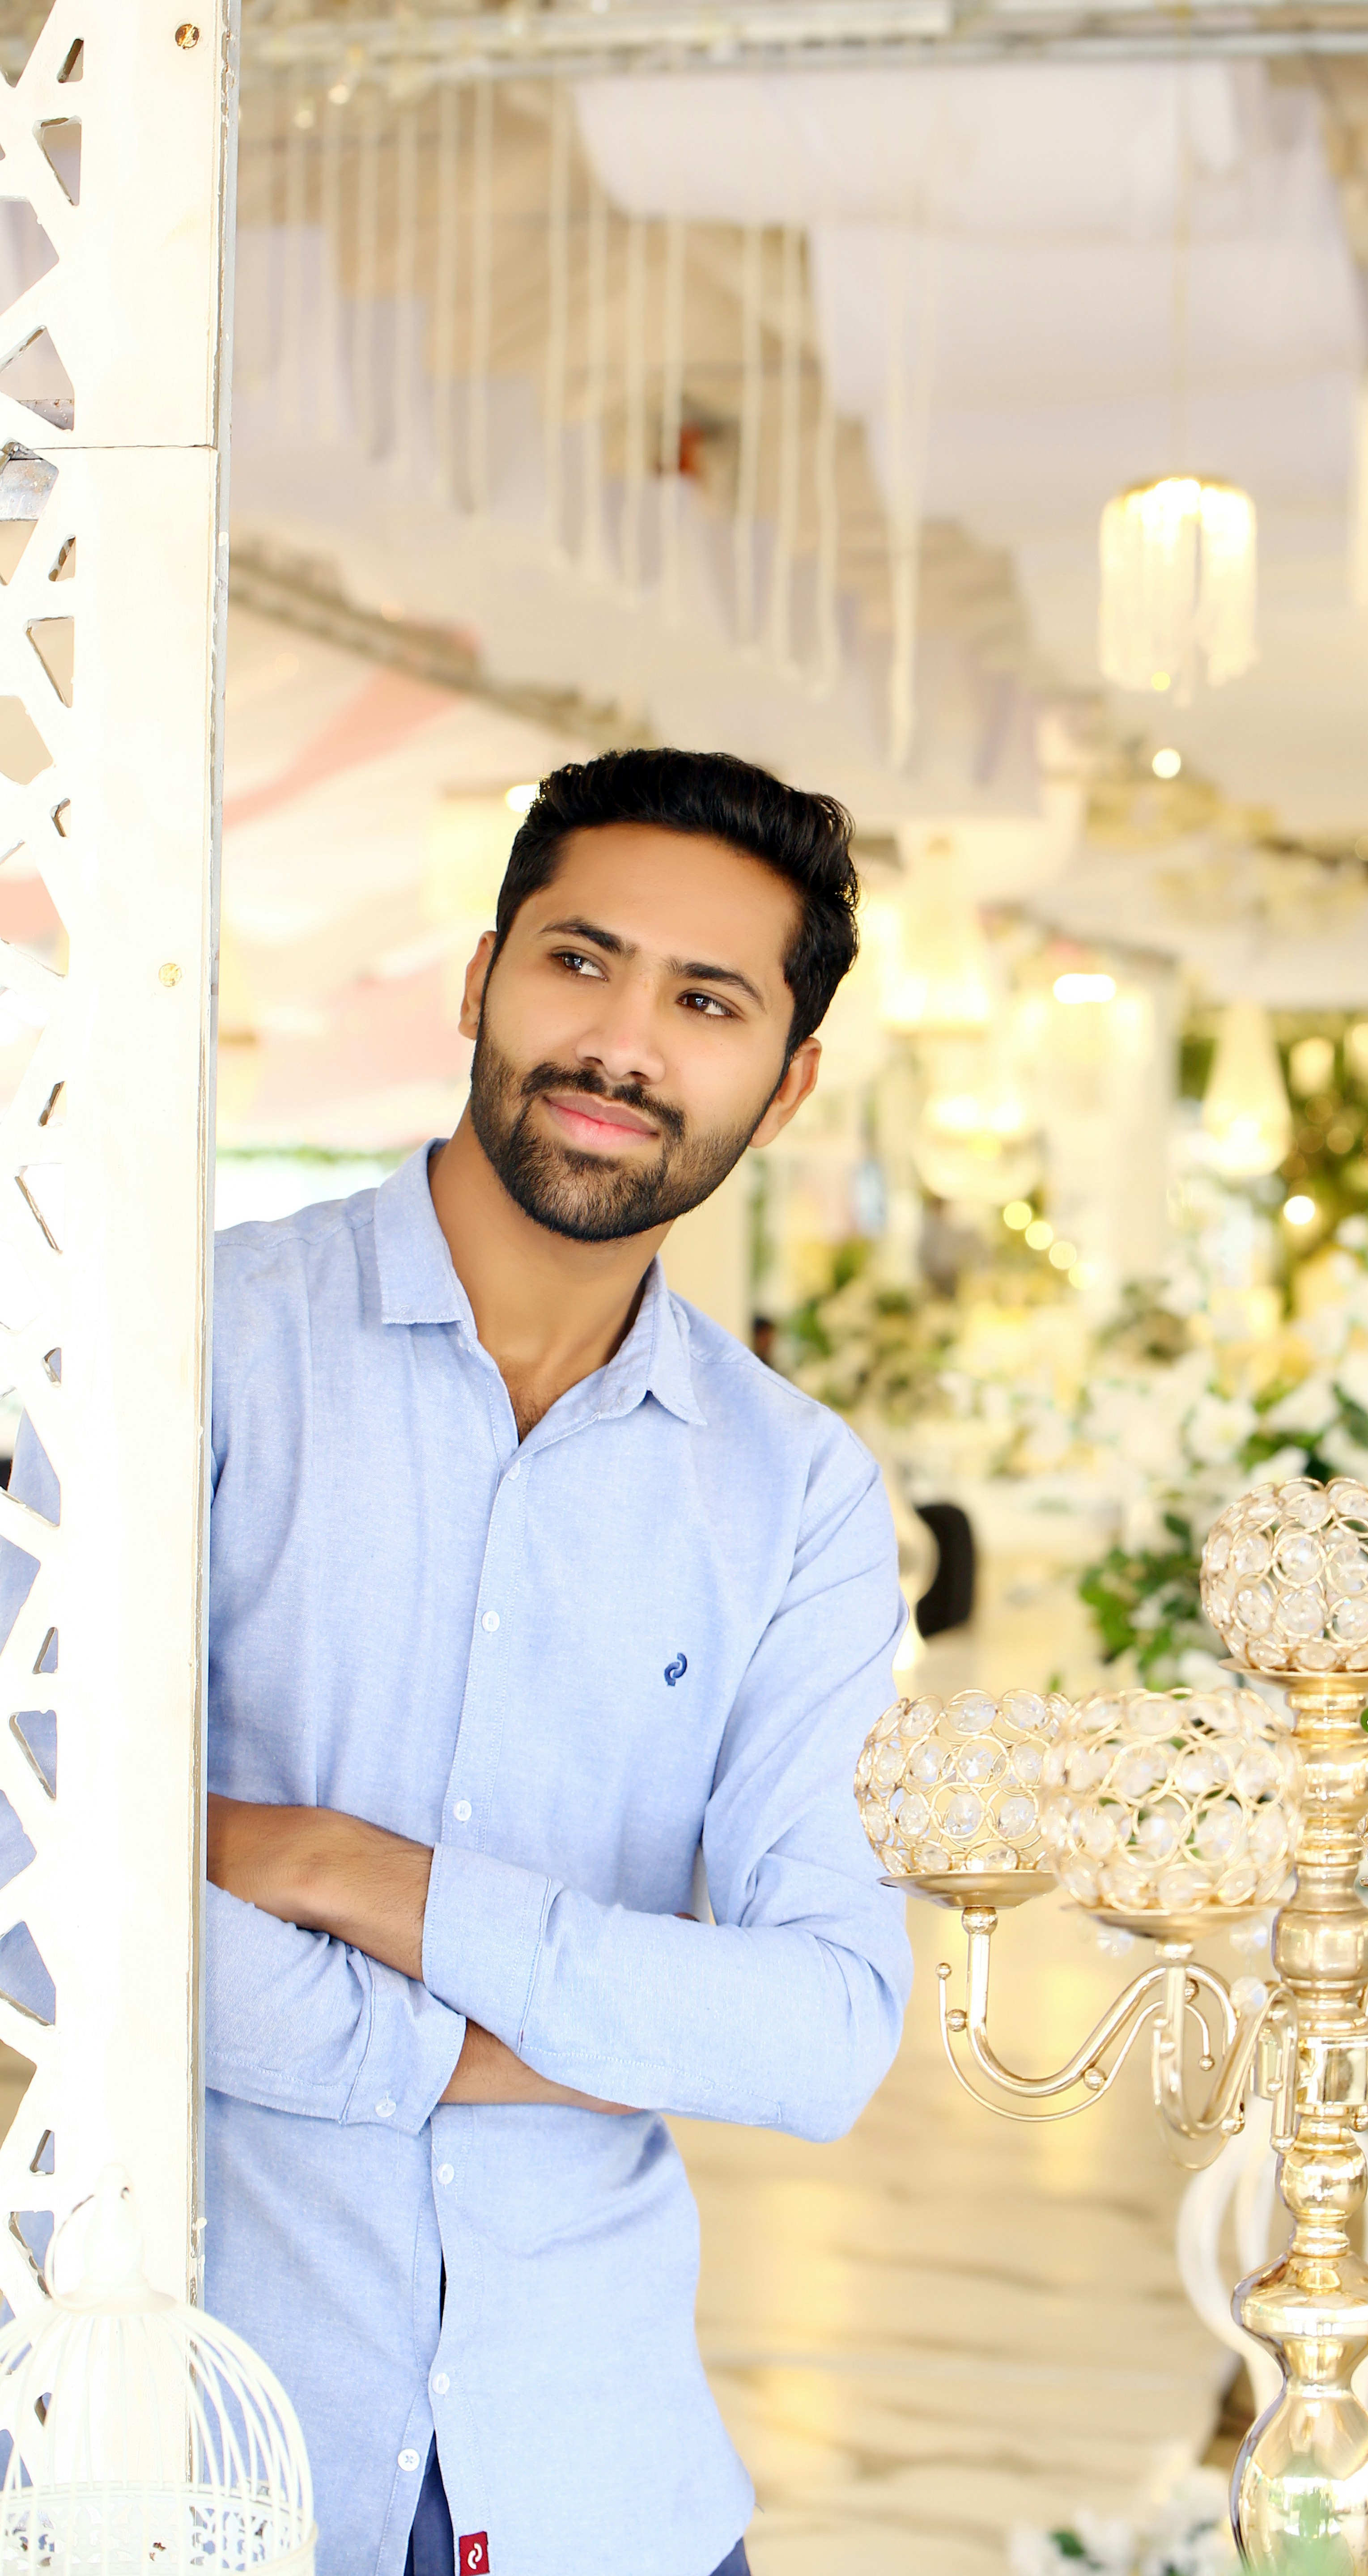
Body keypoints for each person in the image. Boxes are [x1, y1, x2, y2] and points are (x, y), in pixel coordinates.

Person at [197, 749, 912, 2576]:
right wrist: (579, 2029)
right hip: (191, 2456)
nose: (621, 1045)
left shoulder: (799, 1493)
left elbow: (822, 2030)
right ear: (479, 978)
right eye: (578, 963)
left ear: (790, 1076)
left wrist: (344, 1872)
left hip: (607, 2495)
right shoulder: (202, 1351)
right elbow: (77, 1916)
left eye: (705, 1001)